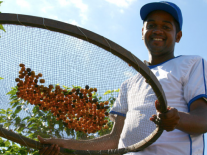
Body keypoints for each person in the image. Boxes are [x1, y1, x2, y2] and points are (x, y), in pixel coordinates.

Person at [37, 1, 207, 155]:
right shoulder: (129, 84)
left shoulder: (191, 63)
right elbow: (115, 139)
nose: (157, 30)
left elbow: (203, 118)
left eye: (166, 27)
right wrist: (65, 145)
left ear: (178, 36)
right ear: (142, 32)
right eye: (151, 25)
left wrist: (177, 119)